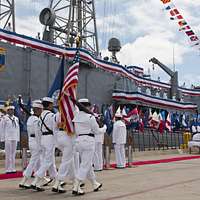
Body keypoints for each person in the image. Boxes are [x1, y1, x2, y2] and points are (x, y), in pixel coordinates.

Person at [72, 98, 107, 195]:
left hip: (78, 141)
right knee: (85, 164)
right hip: (88, 142)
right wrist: (104, 128)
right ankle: (76, 185)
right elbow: (96, 131)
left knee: (87, 164)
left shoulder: (76, 117)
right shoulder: (90, 117)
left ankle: (94, 183)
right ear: (87, 106)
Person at [31, 97, 57, 191]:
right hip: (50, 139)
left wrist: (39, 143)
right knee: (48, 161)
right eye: (52, 104)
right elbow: (55, 130)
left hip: (43, 139)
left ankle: (57, 181)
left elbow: (38, 131)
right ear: (49, 105)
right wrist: (57, 141)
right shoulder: (52, 116)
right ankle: (36, 181)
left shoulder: (40, 116)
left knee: (51, 161)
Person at [19, 101, 43, 188]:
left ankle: (34, 179)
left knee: (36, 161)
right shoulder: (36, 120)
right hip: (36, 141)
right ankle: (25, 179)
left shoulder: (30, 119)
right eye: (41, 110)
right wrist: (41, 143)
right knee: (33, 162)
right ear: (38, 110)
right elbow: (37, 133)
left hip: (31, 141)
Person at [51, 111, 76, 193]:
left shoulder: (57, 114)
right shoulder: (73, 112)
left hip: (59, 136)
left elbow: (54, 128)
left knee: (69, 159)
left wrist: (56, 141)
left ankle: (74, 180)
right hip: (68, 137)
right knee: (66, 161)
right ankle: (57, 182)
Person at [1, 105, 20, 173]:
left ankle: (13, 168)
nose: (12, 111)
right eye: (10, 110)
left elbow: (17, 129)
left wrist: (18, 138)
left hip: (14, 137)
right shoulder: (4, 118)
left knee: (13, 153)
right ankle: (8, 169)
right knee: (8, 154)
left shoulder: (16, 118)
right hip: (8, 137)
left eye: (12, 110)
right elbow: (2, 129)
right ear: (7, 111)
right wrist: (2, 139)